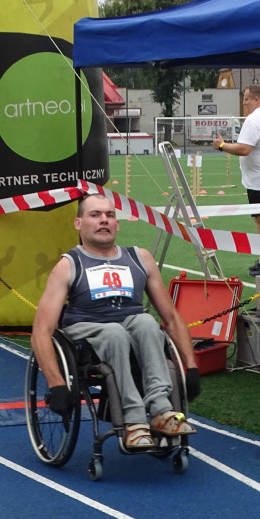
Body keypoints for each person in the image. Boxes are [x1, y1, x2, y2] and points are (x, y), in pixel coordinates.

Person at [31, 192, 201, 450]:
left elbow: (171, 317)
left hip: (131, 326)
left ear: (117, 224)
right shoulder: (68, 265)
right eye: (95, 215)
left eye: (109, 215)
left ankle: (161, 412)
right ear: (79, 224)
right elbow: (42, 331)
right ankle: (134, 422)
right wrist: (57, 384)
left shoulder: (140, 258)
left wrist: (191, 367)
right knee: (113, 332)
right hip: (88, 330)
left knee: (146, 322)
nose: (104, 221)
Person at [212, 84, 260, 277]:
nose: (245, 103)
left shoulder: (255, 118)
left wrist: (222, 145)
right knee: (259, 219)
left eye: (247, 99)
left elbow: (244, 148)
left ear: (256, 99)